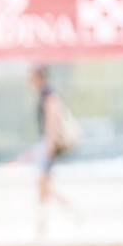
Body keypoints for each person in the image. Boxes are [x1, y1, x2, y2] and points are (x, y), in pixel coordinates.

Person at [29, 65, 76, 228]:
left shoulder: (48, 94)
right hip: (46, 141)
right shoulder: (45, 94)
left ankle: (67, 207)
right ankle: (44, 218)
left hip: (48, 142)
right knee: (43, 183)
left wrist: (50, 143)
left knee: (43, 182)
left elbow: (52, 118)